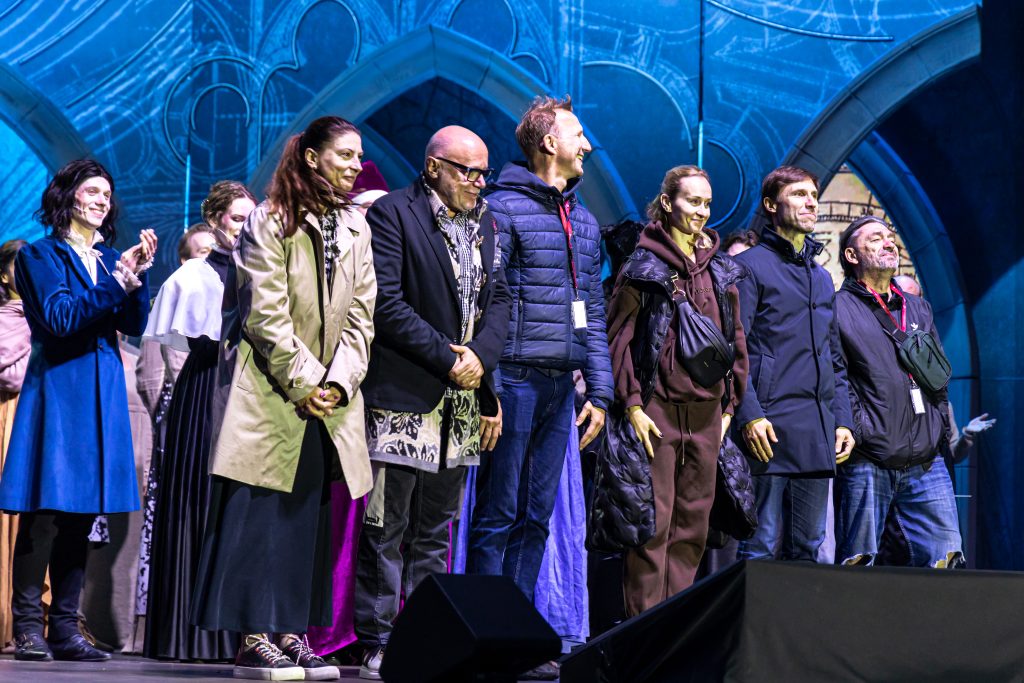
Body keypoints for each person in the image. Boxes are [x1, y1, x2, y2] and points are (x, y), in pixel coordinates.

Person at [190, 115, 375, 681]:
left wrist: (338, 382)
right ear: (313, 158)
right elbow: (263, 314)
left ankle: (292, 634)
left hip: (330, 401)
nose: (355, 164)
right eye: (345, 154)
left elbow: (363, 316)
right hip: (274, 393)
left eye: (358, 155)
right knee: (260, 518)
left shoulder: (355, 227)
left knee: (307, 519)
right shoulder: (269, 221)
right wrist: (306, 382)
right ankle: (253, 639)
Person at [353, 126, 510, 680]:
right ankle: (377, 640)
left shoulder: (486, 220)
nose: (478, 181)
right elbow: (386, 305)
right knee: (386, 526)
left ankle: (422, 639)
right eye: (468, 171)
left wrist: (481, 359)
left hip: (460, 404)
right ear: (434, 166)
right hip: (404, 395)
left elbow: (501, 299)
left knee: (434, 532)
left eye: (484, 172)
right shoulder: (393, 213)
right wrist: (450, 359)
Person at [0, 159, 157, 662]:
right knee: (46, 512)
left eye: (107, 195)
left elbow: (133, 323)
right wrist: (117, 282)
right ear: (67, 197)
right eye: (92, 192)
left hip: (102, 391)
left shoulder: (109, 258)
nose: (102, 201)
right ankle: (29, 626)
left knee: (83, 513)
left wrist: (137, 278)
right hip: (60, 391)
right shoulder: (40, 255)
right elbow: (61, 318)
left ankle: (65, 628)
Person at [467, 96, 613, 605]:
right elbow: (486, 301)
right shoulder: (501, 208)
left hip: (560, 388)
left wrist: (601, 392)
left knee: (536, 517)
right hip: (514, 379)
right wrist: (489, 389)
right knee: (498, 512)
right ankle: (482, 628)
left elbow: (592, 311)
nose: (587, 145)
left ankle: (516, 630)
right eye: (579, 135)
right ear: (550, 143)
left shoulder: (584, 220)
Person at [606, 166, 748, 614]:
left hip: (707, 416)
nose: (702, 211)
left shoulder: (721, 270)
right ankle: (644, 633)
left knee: (692, 529)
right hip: (657, 412)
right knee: (652, 526)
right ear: (667, 203)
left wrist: (729, 410)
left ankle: (673, 631)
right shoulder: (643, 265)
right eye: (692, 201)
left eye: (707, 203)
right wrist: (633, 406)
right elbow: (619, 339)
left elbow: (736, 342)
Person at [142, 180, 256, 661]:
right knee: (199, 500)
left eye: (251, 219)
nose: (244, 228)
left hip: (249, 392)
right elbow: (181, 343)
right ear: (214, 220)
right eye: (236, 218)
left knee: (238, 507)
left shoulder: (262, 270)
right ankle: (187, 632)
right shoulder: (193, 276)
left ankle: (236, 633)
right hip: (207, 389)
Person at [733, 166, 854, 562]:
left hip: (816, 431)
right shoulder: (748, 266)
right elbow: (735, 349)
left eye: (814, 195)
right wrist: (749, 414)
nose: (811, 203)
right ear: (771, 205)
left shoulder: (821, 278)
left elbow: (835, 359)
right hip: (768, 428)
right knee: (759, 546)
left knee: (808, 550)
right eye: (799, 194)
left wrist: (843, 420)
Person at [832, 216, 963, 567]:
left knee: (948, 561)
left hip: (927, 460)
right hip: (869, 457)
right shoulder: (837, 308)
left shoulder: (918, 308)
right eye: (875, 238)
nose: (889, 242)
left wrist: (939, 428)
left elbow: (938, 376)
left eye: (890, 236)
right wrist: (859, 429)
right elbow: (836, 375)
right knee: (857, 565)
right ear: (852, 255)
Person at [0, 239, 30, 651]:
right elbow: (10, 376)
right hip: (8, 417)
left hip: (36, 418)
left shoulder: (45, 315)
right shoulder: (7, 318)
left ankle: (30, 618)